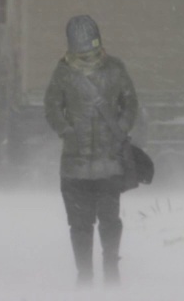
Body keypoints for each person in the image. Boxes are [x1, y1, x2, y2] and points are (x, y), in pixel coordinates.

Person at [44, 15, 138, 286]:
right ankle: (84, 275)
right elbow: (51, 106)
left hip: (106, 165)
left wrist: (119, 127)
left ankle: (110, 269)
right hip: (76, 166)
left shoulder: (115, 69)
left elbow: (130, 103)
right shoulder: (63, 73)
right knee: (80, 225)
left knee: (109, 221)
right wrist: (66, 130)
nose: (87, 52)